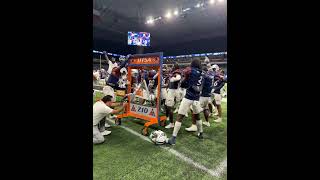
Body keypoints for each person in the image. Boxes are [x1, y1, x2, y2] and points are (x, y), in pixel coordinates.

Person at [167, 58, 204, 145]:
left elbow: (184, 82)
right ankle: (201, 133)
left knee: (180, 116)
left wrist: (184, 82)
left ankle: (173, 138)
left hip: (188, 97)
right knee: (197, 116)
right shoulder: (202, 73)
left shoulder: (190, 70)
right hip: (197, 98)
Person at [185, 66, 215, 131]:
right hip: (208, 95)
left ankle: (194, 125)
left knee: (193, 109)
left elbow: (200, 85)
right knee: (205, 108)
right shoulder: (210, 76)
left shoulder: (204, 76)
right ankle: (207, 122)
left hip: (202, 96)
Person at [165, 63, 182, 129]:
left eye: (172, 66)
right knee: (167, 105)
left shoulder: (177, 72)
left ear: (175, 67)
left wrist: (174, 79)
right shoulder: (173, 72)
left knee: (169, 107)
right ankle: (168, 117)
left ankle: (171, 123)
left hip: (173, 91)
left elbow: (178, 77)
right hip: (173, 90)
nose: (172, 67)